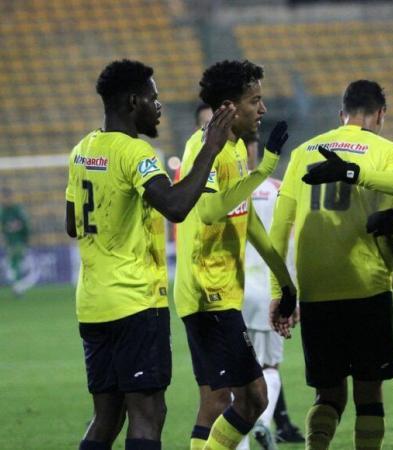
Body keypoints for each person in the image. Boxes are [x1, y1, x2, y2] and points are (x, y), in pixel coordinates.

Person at [66, 59, 235, 450]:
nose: (158, 106)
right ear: (132, 101)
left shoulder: (83, 149)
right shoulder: (136, 153)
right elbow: (174, 206)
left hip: (92, 305)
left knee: (106, 416)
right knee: (148, 413)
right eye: (152, 98)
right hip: (135, 302)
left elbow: (73, 224)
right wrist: (210, 148)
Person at [270, 80, 393, 450]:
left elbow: (280, 228)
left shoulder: (302, 152)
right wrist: (390, 267)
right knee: (368, 393)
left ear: (340, 114)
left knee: (327, 394)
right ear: (380, 114)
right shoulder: (389, 152)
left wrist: (279, 290)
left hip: (315, 291)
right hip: (367, 285)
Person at [173, 59, 297, 450]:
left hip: (225, 292)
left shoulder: (237, 148)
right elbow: (209, 210)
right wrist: (267, 170)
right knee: (249, 397)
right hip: (206, 294)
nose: (262, 109)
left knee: (227, 399)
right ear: (229, 107)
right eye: (254, 101)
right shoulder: (202, 147)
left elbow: (248, 224)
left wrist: (286, 283)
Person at [237, 133, 304, 450]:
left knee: (237, 373)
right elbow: (290, 245)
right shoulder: (278, 190)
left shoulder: (231, 192)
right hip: (269, 291)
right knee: (269, 368)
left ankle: (242, 442)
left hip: (234, 292)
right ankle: (263, 423)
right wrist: (294, 294)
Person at [1, 187, 38, 296]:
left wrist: (26, 240)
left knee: (16, 263)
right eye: (3, 197)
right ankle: (17, 286)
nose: (5, 200)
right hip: (10, 243)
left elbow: (26, 226)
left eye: (7, 197)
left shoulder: (18, 210)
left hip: (19, 242)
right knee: (14, 264)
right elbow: (3, 228)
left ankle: (17, 287)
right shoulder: (3, 212)